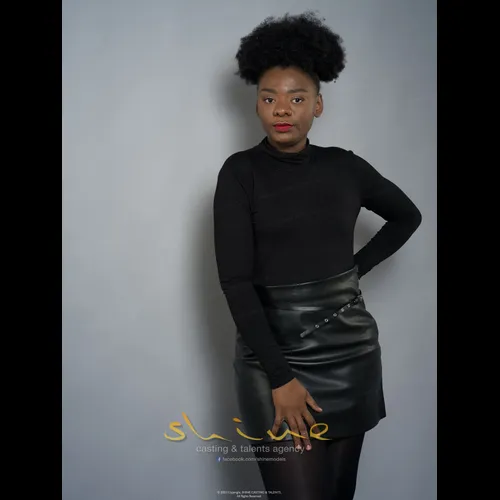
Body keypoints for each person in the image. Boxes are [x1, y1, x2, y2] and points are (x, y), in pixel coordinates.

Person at [212, 11, 422, 500]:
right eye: (269, 98)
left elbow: (407, 216)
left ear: (318, 105)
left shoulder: (345, 167)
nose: (282, 109)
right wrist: (281, 378)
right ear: (257, 104)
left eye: (297, 97)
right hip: (272, 359)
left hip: (350, 355)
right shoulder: (240, 173)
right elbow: (235, 283)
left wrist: (354, 271)